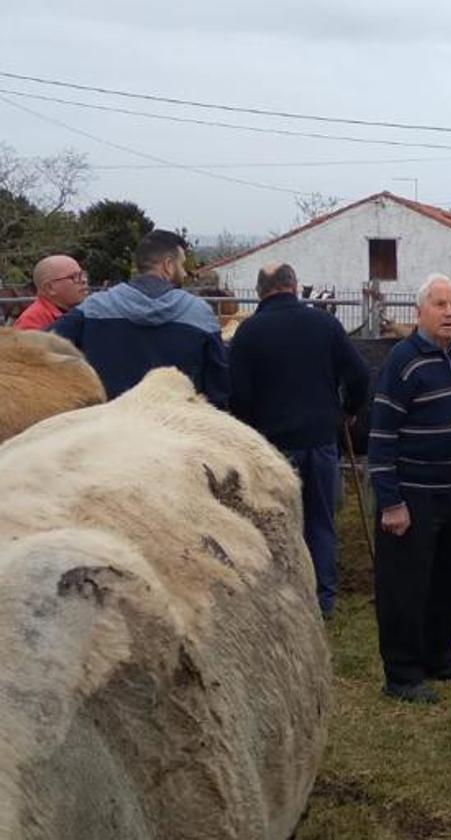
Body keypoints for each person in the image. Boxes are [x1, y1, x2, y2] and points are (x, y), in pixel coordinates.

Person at [368, 274, 451, 704]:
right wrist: (390, 501)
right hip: (412, 495)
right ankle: (401, 672)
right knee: (405, 585)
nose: (450, 313)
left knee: (449, 580)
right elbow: (381, 436)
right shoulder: (403, 362)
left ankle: (440, 656)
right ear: (419, 312)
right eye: (440, 304)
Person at [228, 263, 369, 619]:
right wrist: (349, 411)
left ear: (261, 292)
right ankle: (322, 599)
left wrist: (247, 434)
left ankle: (282, 598)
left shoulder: (248, 334)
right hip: (320, 440)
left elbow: (238, 396)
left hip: (270, 448)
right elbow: (360, 374)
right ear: (294, 286)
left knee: (275, 523)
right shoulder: (324, 324)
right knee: (321, 520)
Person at [51, 230, 229, 407]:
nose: (184, 273)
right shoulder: (199, 313)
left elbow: (43, 347)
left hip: (107, 422)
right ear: (168, 265)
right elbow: (217, 388)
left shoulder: (93, 308)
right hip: (175, 425)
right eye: (182, 265)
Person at [13, 254, 89, 331]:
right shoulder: (31, 323)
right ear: (50, 288)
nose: (83, 280)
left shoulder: (85, 311)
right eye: (74, 277)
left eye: (82, 274)